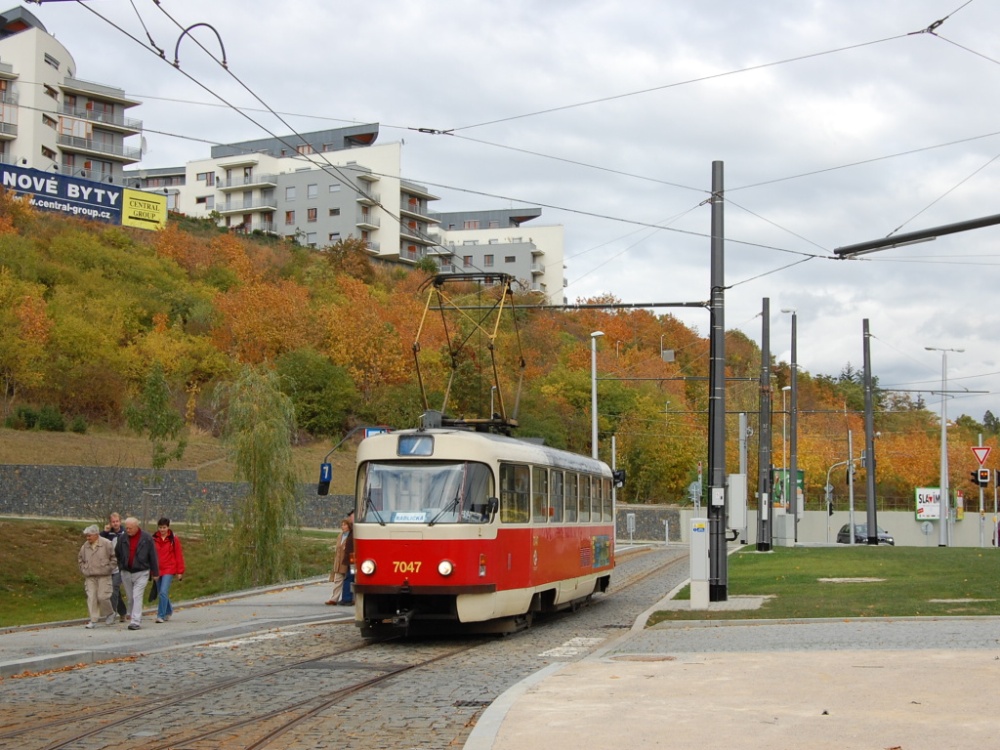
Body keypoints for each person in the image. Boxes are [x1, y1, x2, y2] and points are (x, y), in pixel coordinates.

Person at [115, 517, 159, 630]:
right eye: (126, 528)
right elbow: (117, 553)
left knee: (137, 595)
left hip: (142, 571)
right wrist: (121, 566)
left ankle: (135, 621)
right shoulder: (122, 538)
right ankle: (132, 614)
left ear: (136, 527)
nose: (127, 530)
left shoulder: (146, 538)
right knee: (130, 598)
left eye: (130, 528)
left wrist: (155, 572)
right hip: (126, 571)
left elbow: (153, 556)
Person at [78, 524, 117, 628]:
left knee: (103, 597)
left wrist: (109, 568)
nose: (88, 538)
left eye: (89, 535)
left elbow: (114, 558)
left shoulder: (107, 543)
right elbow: (80, 559)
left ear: (96, 535)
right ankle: (93, 620)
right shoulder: (84, 546)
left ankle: (110, 613)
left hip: (104, 575)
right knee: (91, 597)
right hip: (90, 576)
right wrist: (83, 568)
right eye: (87, 536)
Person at [152, 517, 185, 624]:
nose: (162, 530)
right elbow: (151, 555)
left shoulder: (173, 539)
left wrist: (180, 571)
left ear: (168, 527)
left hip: (169, 568)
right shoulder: (153, 539)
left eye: (164, 527)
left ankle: (160, 615)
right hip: (157, 569)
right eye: (160, 527)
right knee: (161, 593)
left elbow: (178, 555)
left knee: (163, 592)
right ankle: (169, 610)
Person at [100, 512, 129, 622]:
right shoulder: (107, 534)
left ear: (120, 522)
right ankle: (123, 612)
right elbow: (98, 542)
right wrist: (104, 532)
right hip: (108, 566)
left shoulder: (125, 533)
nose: (115, 524)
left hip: (120, 566)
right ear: (110, 523)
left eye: (117, 521)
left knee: (114, 587)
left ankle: (111, 613)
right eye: (113, 522)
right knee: (114, 591)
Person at [326, 517, 353, 605]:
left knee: (348, 580)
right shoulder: (340, 535)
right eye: (342, 525)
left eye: (344, 525)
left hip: (347, 562)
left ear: (349, 526)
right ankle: (334, 599)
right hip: (339, 562)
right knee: (337, 580)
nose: (342, 527)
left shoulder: (351, 536)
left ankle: (349, 599)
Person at [342, 509, 355, 605]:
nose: (349, 517)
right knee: (351, 577)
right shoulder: (353, 529)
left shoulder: (355, 529)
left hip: (353, 559)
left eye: (351, 515)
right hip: (352, 558)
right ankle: (348, 598)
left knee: (349, 578)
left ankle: (347, 598)